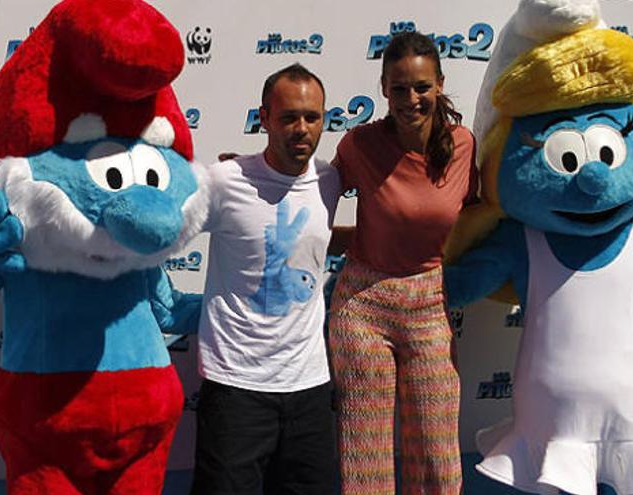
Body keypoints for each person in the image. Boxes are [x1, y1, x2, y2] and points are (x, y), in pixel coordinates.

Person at [328, 31, 477, 494]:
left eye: (421, 87)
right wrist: (252, 177)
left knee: (437, 455)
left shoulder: (463, 145)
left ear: (439, 83)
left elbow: (481, 220)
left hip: (429, 300)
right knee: (366, 456)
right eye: (398, 88)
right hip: (362, 306)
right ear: (383, 89)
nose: (410, 99)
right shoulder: (359, 145)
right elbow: (307, 199)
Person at [189, 63, 339, 495]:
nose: (301, 129)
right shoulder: (224, 181)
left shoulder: (330, 180)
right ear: (264, 118)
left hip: (309, 388)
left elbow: (329, 237)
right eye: (289, 117)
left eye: (312, 117)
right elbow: (160, 233)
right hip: (236, 389)